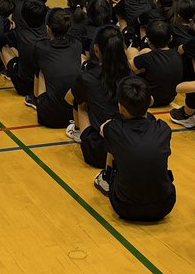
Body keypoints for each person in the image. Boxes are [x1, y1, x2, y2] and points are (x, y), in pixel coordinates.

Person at [95, 76, 176, 224]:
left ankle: (106, 177)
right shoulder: (163, 128)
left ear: (121, 107)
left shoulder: (114, 128)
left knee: (114, 144)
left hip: (125, 207)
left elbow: (102, 129)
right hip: (164, 206)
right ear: (150, 100)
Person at [66, 26, 130, 165]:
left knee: (80, 102)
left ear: (96, 50)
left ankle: (77, 131)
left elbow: (68, 98)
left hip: (99, 151)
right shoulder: (131, 75)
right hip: (130, 147)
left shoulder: (87, 77)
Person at [27, 7, 83, 126]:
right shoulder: (77, 45)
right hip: (76, 114)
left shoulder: (40, 47)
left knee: (40, 71)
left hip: (50, 117)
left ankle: (35, 99)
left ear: (47, 28)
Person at [128, 20, 183, 108]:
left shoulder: (148, 58)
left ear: (149, 41)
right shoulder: (177, 54)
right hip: (169, 99)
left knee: (132, 51)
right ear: (171, 38)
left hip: (148, 100)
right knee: (145, 52)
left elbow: (128, 67)